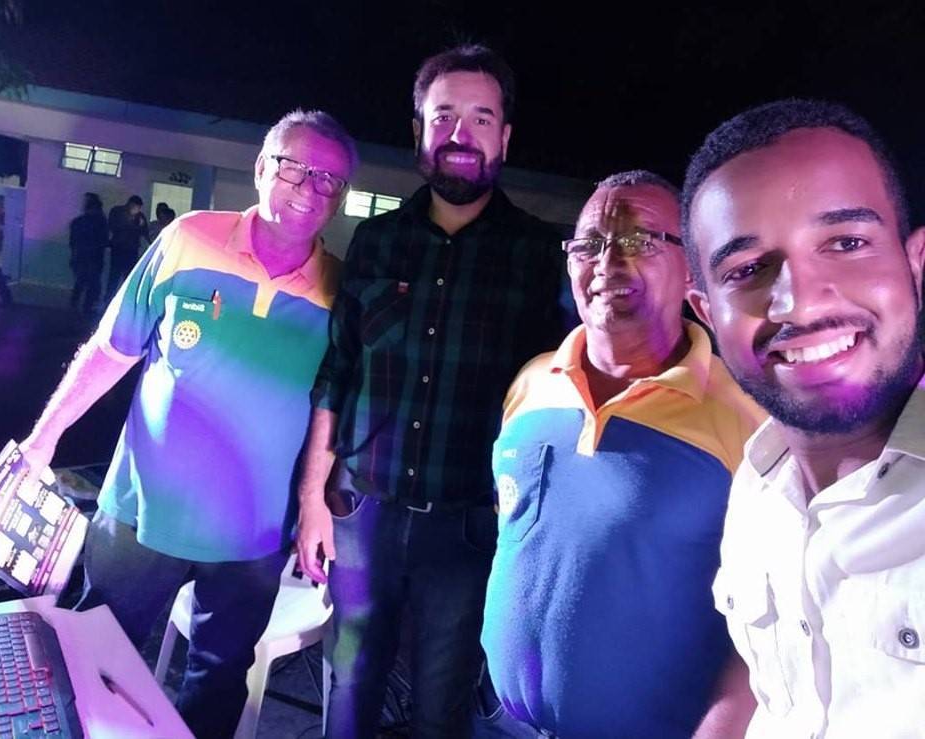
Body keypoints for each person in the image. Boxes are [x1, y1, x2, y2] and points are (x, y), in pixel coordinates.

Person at [19, 109, 357, 738]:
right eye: (295, 168)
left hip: (254, 534)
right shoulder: (189, 237)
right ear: (262, 167)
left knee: (219, 679)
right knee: (93, 660)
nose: (310, 189)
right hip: (141, 514)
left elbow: (329, 405)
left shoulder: (340, 290)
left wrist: (314, 500)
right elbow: (112, 349)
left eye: (329, 180)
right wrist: (45, 437)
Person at [296, 44, 567, 737]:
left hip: (470, 525)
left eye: (481, 118)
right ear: (419, 129)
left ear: (505, 138)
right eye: (443, 115)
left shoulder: (540, 256)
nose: (460, 134)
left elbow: (559, 400)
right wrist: (312, 500)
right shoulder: (376, 242)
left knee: (442, 707)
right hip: (363, 512)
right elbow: (338, 370)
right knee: (350, 691)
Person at [479, 171, 764, 738]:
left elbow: (773, 620)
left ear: (693, 268)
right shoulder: (533, 383)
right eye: (588, 244)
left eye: (640, 240)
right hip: (498, 723)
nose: (608, 262)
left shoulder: (747, 419)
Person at [682, 99, 925, 738]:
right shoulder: (757, 486)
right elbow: (771, 668)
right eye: (747, 270)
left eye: (846, 243)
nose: (798, 303)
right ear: (707, 313)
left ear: (916, 262)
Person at [68, 192, 108, 316]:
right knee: (92, 284)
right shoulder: (100, 223)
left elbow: (73, 242)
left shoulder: (79, 222)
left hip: (82, 256)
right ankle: (87, 308)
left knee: (81, 282)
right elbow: (103, 241)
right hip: (93, 258)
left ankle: (76, 305)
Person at [104, 194, 149, 301]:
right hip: (119, 248)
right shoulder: (117, 212)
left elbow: (145, 232)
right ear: (130, 204)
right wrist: (133, 225)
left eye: (138, 208)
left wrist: (140, 226)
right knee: (114, 276)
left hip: (131, 250)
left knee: (128, 277)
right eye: (135, 207)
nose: (137, 210)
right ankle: (109, 300)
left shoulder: (140, 216)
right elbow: (112, 226)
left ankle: (126, 300)